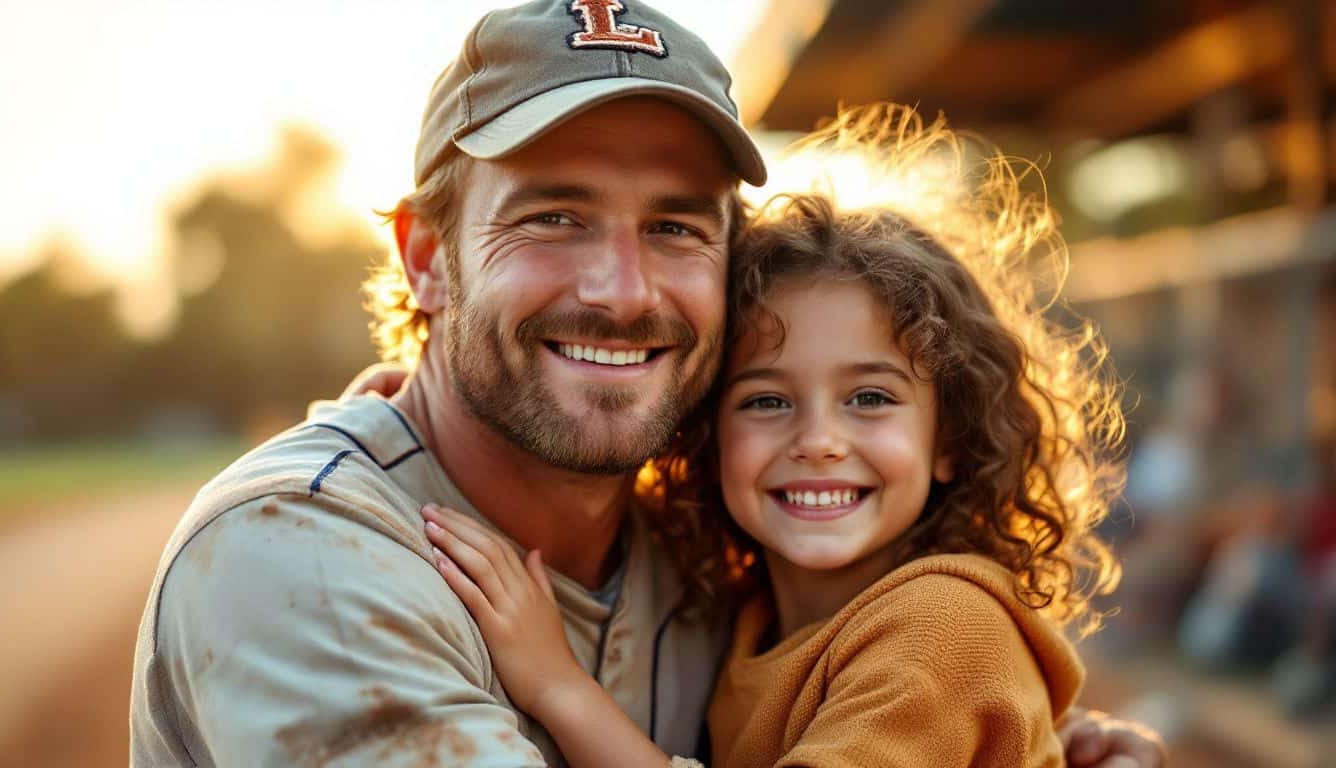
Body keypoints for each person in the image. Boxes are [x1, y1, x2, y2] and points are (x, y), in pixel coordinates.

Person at [130, 2, 1164, 766]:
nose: (622, 292)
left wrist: (1045, 741)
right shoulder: (296, 557)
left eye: (674, 226)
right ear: (428, 258)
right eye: (553, 216)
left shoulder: (706, 553)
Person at [419, 105, 1130, 767]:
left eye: (872, 397)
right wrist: (408, 395)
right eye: (765, 401)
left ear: (952, 438)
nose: (818, 440)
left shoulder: (941, 626)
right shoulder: (755, 614)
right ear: (706, 431)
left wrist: (557, 685)